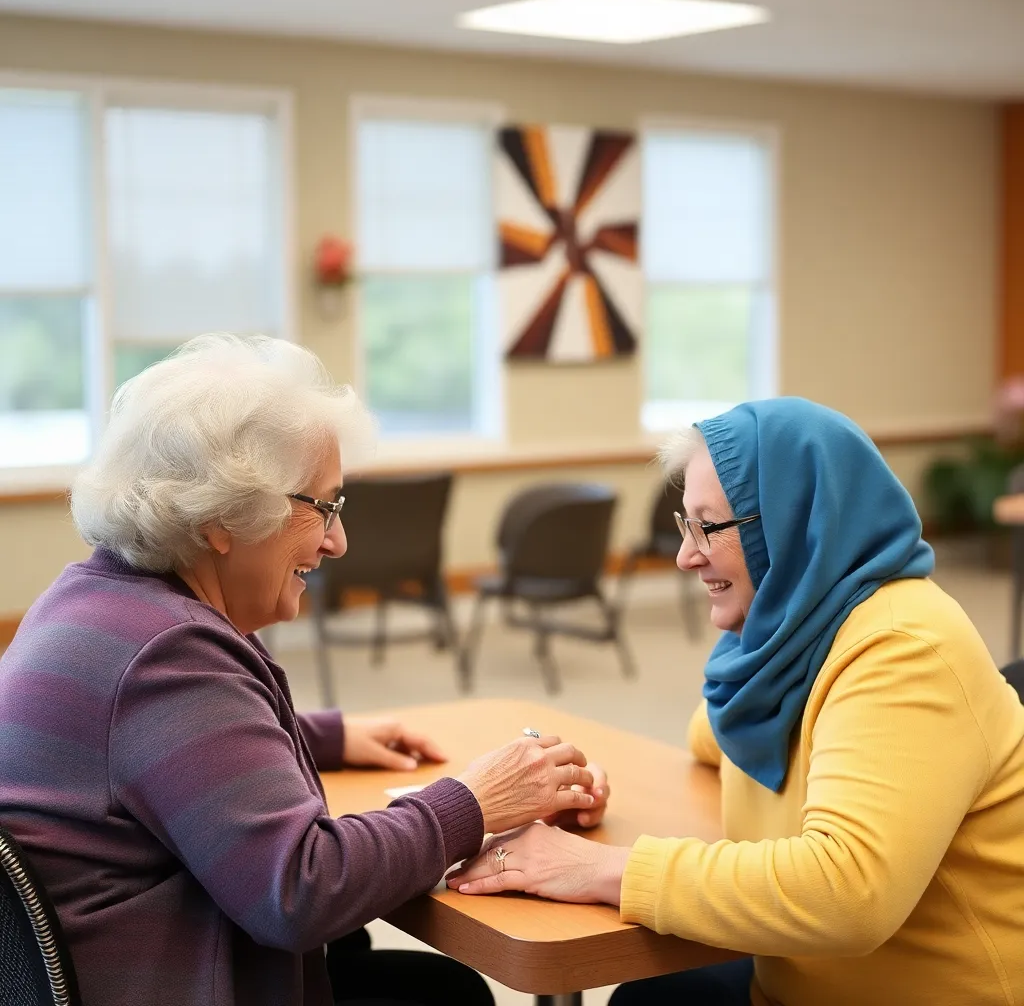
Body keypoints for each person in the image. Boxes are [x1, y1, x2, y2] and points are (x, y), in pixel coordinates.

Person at [0, 334, 609, 1006]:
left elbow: (154, 755)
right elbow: (300, 891)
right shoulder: (169, 658)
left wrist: (319, 735)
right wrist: (474, 802)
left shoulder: (95, 603)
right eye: (323, 507)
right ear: (224, 516)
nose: (337, 540)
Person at [449, 397, 1024, 1006]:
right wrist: (579, 784)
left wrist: (599, 869)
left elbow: (849, 892)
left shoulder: (902, 649)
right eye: (685, 524)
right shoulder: (798, 633)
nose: (685, 555)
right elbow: (724, 730)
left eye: (709, 527)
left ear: (799, 521)